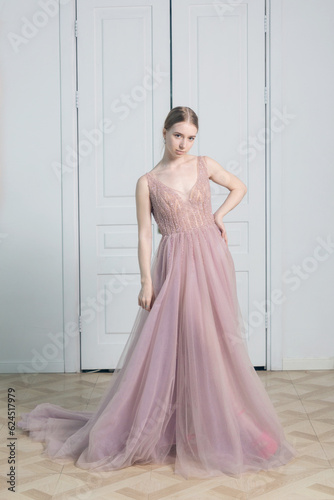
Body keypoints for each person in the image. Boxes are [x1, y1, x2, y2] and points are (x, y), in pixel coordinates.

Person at [18, 106, 298, 479]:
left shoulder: (204, 164)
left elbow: (239, 186)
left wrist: (218, 216)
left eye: (191, 137)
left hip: (211, 259)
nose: (184, 143)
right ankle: (185, 424)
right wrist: (146, 281)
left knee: (214, 343)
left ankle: (223, 426)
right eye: (177, 135)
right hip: (176, 263)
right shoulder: (147, 181)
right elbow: (145, 234)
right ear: (163, 132)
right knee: (182, 342)